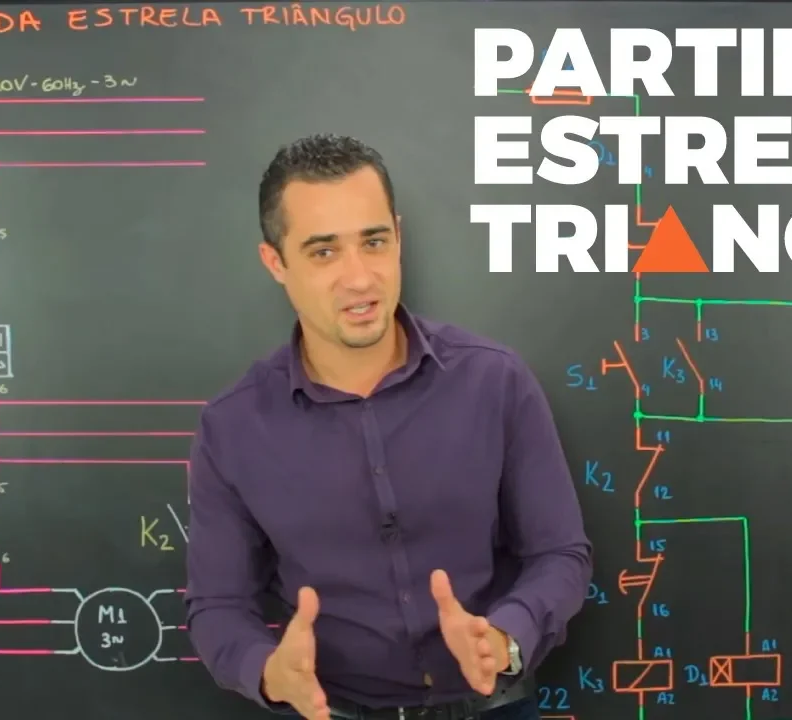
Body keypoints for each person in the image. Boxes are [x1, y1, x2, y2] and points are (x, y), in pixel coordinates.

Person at [184, 133, 593, 720]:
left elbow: (560, 554)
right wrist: (268, 671)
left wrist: (507, 636)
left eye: (373, 242)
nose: (359, 278)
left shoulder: (495, 381)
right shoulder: (233, 427)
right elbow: (218, 606)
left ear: (398, 237)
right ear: (276, 263)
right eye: (324, 252)